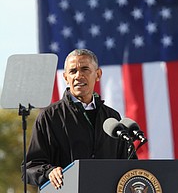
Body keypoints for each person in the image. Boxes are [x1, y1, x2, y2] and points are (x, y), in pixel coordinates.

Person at [22, 49, 135, 189]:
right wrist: (49, 172)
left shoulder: (112, 118)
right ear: (65, 77)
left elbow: (127, 163)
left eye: (85, 69)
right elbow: (29, 168)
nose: (78, 75)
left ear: (98, 74)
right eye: (73, 71)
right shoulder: (49, 117)